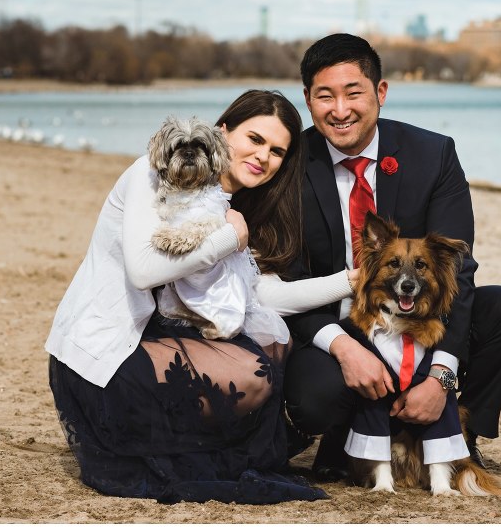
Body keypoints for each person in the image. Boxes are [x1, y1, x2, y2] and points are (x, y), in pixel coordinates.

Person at [45, 90, 358, 504]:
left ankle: (200, 442)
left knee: (273, 341)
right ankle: (179, 443)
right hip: (110, 352)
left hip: (157, 336)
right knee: (253, 369)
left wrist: (352, 281)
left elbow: (261, 297)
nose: (264, 157)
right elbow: (142, 272)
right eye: (255, 139)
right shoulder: (151, 173)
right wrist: (228, 238)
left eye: (278, 151)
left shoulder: (234, 205)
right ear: (223, 131)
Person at [283, 34, 501, 480]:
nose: (340, 110)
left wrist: (441, 377)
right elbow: (285, 283)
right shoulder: (289, 166)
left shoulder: (432, 154)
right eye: (325, 96)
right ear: (307, 99)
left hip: (419, 314)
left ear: (380, 93)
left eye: (353, 93)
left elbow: (458, 270)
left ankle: (459, 433)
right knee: (315, 398)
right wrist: (344, 348)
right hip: (336, 320)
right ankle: (342, 439)